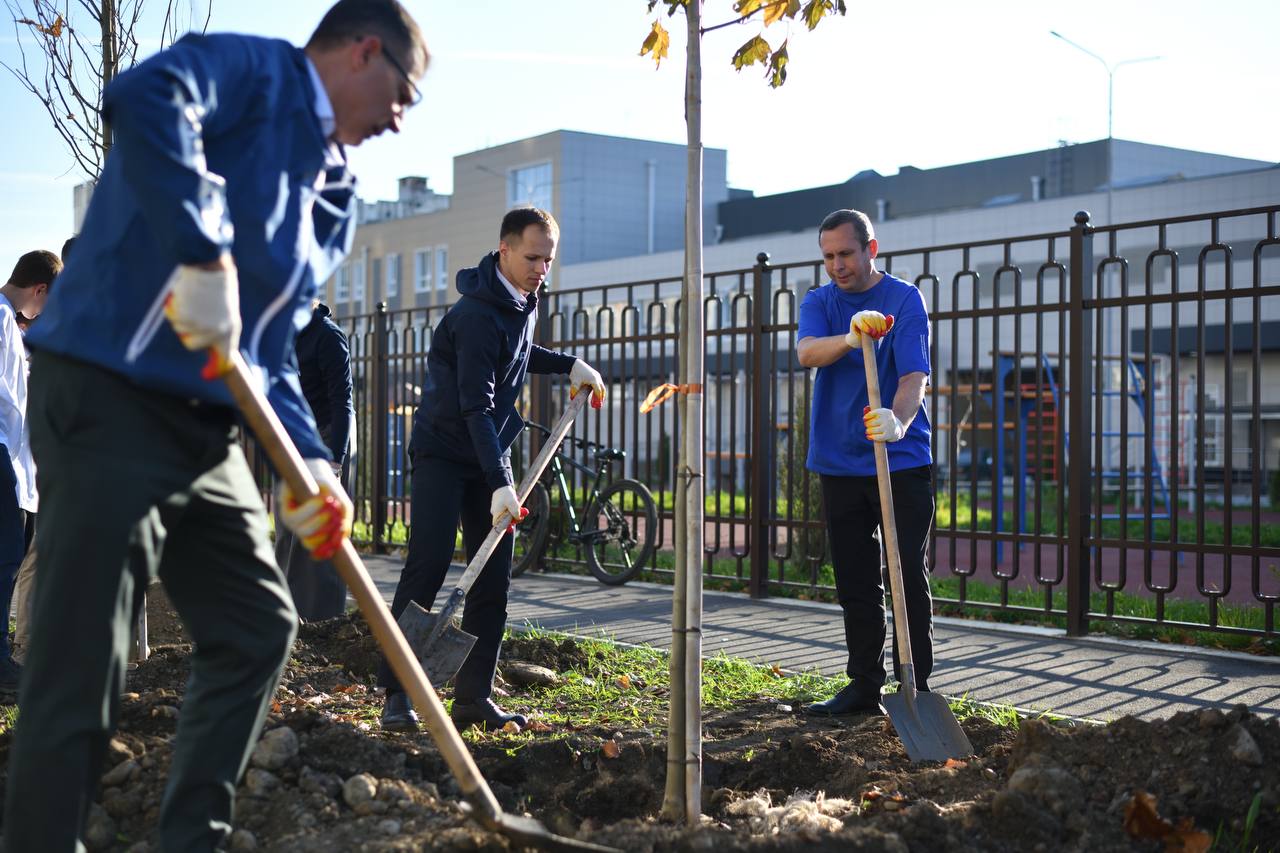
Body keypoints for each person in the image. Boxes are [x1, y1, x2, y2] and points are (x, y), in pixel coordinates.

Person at [4, 2, 428, 850]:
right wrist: (204, 250)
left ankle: (191, 837)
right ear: (364, 51)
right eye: (404, 94)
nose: (399, 119)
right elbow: (143, 94)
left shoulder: (337, 197)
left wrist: (314, 461)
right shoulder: (256, 74)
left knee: (255, 625)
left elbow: (266, 346)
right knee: (86, 657)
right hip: (106, 389)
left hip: (202, 430)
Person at [378, 207, 606, 733]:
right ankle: (396, 694)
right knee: (427, 567)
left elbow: (518, 355)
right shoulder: (475, 315)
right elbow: (474, 406)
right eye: (532, 258)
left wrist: (568, 365)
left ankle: (473, 697)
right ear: (503, 249)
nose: (540, 269)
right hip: (443, 452)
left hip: (487, 451)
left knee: (492, 581)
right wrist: (501, 482)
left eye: (548, 260)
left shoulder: (519, 303)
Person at [796, 208, 936, 716]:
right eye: (828, 256)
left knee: (905, 573)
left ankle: (916, 685)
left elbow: (912, 377)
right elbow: (808, 352)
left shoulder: (903, 299)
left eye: (846, 254)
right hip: (838, 461)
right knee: (855, 579)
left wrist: (897, 421)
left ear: (871, 249)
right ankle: (863, 684)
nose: (837, 265)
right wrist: (852, 340)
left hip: (900, 460)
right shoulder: (819, 301)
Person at [274, 300, 355, 621]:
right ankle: (288, 615)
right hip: (292, 439)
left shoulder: (327, 336)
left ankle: (322, 619)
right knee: (288, 530)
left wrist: (335, 460)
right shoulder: (282, 333)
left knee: (318, 536)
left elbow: (342, 400)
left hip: (325, 438)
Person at [0, 250, 59, 687]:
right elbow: (11, 404)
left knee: (10, 559)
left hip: (14, 460)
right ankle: (2, 659)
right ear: (39, 290)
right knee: (5, 563)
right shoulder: (4, 321)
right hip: (4, 455)